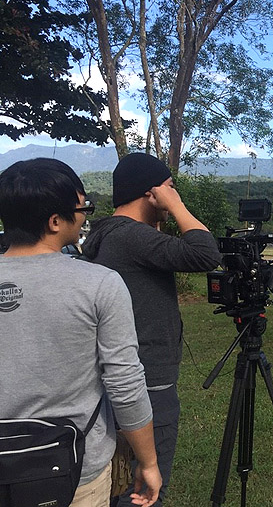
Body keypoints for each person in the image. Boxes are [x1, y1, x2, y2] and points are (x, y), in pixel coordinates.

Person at [0, 158, 161, 506]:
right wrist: (148, 462)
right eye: (82, 209)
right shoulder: (99, 284)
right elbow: (124, 382)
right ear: (55, 221)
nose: (85, 216)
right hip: (72, 471)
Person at [82, 153, 221, 506]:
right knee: (143, 492)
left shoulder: (108, 234)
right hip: (147, 383)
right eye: (170, 187)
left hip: (116, 379)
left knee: (117, 484)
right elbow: (205, 253)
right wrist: (176, 206)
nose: (174, 194)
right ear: (151, 192)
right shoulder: (132, 237)